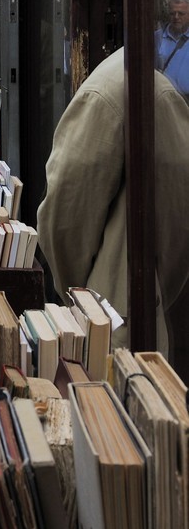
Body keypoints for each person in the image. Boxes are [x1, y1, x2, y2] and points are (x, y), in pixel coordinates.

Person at [37, 49, 189, 378]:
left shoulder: (116, 88)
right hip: (120, 310)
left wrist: (80, 288)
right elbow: (66, 217)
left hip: (113, 311)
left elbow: (64, 219)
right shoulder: (132, 89)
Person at [154, 0, 189, 95]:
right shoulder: (157, 38)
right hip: (165, 98)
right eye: (172, 13)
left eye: (181, 13)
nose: (176, 17)